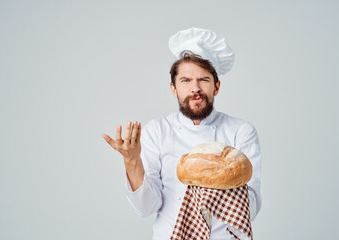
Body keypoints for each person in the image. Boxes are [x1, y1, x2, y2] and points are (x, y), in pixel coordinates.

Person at [101, 27, 262, 240]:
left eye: (204, 80)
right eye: (185, 80)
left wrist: (207, 184)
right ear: (173, 89)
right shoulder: (157, 131)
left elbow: (251, 207)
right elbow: (146, 208)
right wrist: (132, 161)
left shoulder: (241, 131)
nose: (195, 88)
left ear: (217, 87)